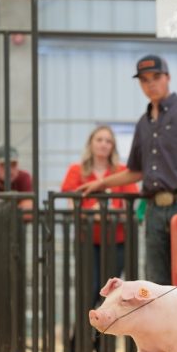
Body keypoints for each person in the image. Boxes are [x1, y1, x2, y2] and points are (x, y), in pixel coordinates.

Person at [78, 55, 177, 352]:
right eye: (144, 79)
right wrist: (102, 184)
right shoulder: (145, 123)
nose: (150, 83)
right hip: (155, 207)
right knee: (154, 285)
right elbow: (135, 171)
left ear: (167, 77)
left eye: (155, 77)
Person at [61, 125, 139, 308]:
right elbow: (71, 202)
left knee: (110, 291)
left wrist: (111, 214)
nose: (104, 144)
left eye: (108, 141)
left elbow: (130, 202)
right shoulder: (76, 170)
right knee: (89, 288)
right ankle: (80, 335)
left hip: (117, 240)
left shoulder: (122, 171)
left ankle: (102, 336)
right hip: (86, 239)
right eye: (99, 140)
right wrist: (90, 214)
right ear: (91, 143)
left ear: (113, 146)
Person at [0, 145, 33, 211]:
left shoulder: (23, 178)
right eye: (3, 165)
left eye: (13, 164)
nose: (9, 170)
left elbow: (28, 211)